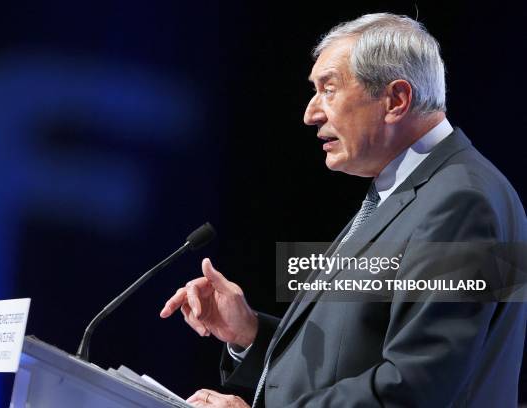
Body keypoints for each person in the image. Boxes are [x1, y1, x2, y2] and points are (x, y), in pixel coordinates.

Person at [160, 13, 527, 407]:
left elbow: (418, 386)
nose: (310, 113)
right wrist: (249, 334)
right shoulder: (406, 191)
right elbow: (352, 352)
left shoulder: (464, 202)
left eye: (328, 89)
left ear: (396, 100)